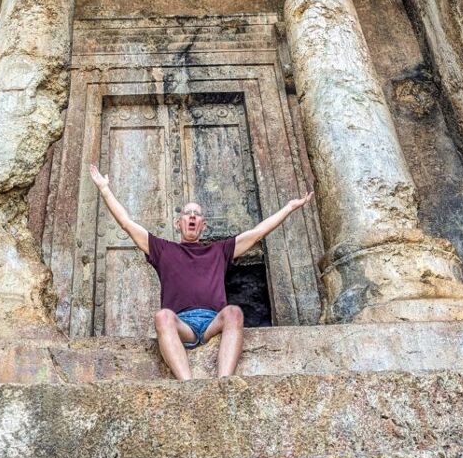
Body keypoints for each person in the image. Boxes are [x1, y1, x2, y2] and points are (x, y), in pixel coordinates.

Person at [88, 162, 314, 380]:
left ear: (203, 225)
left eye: (197, 214)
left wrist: (290, 207)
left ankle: (223, 383)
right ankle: (188, 385)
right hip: (182, 325)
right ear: (179, 223)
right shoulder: (162, 249)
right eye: (188, 213)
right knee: (162, 316)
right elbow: (127, 224)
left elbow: (257, 233)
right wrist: (105, 189)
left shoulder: (220, 250)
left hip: (212, 323)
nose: (193, 216)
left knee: (234, 312)